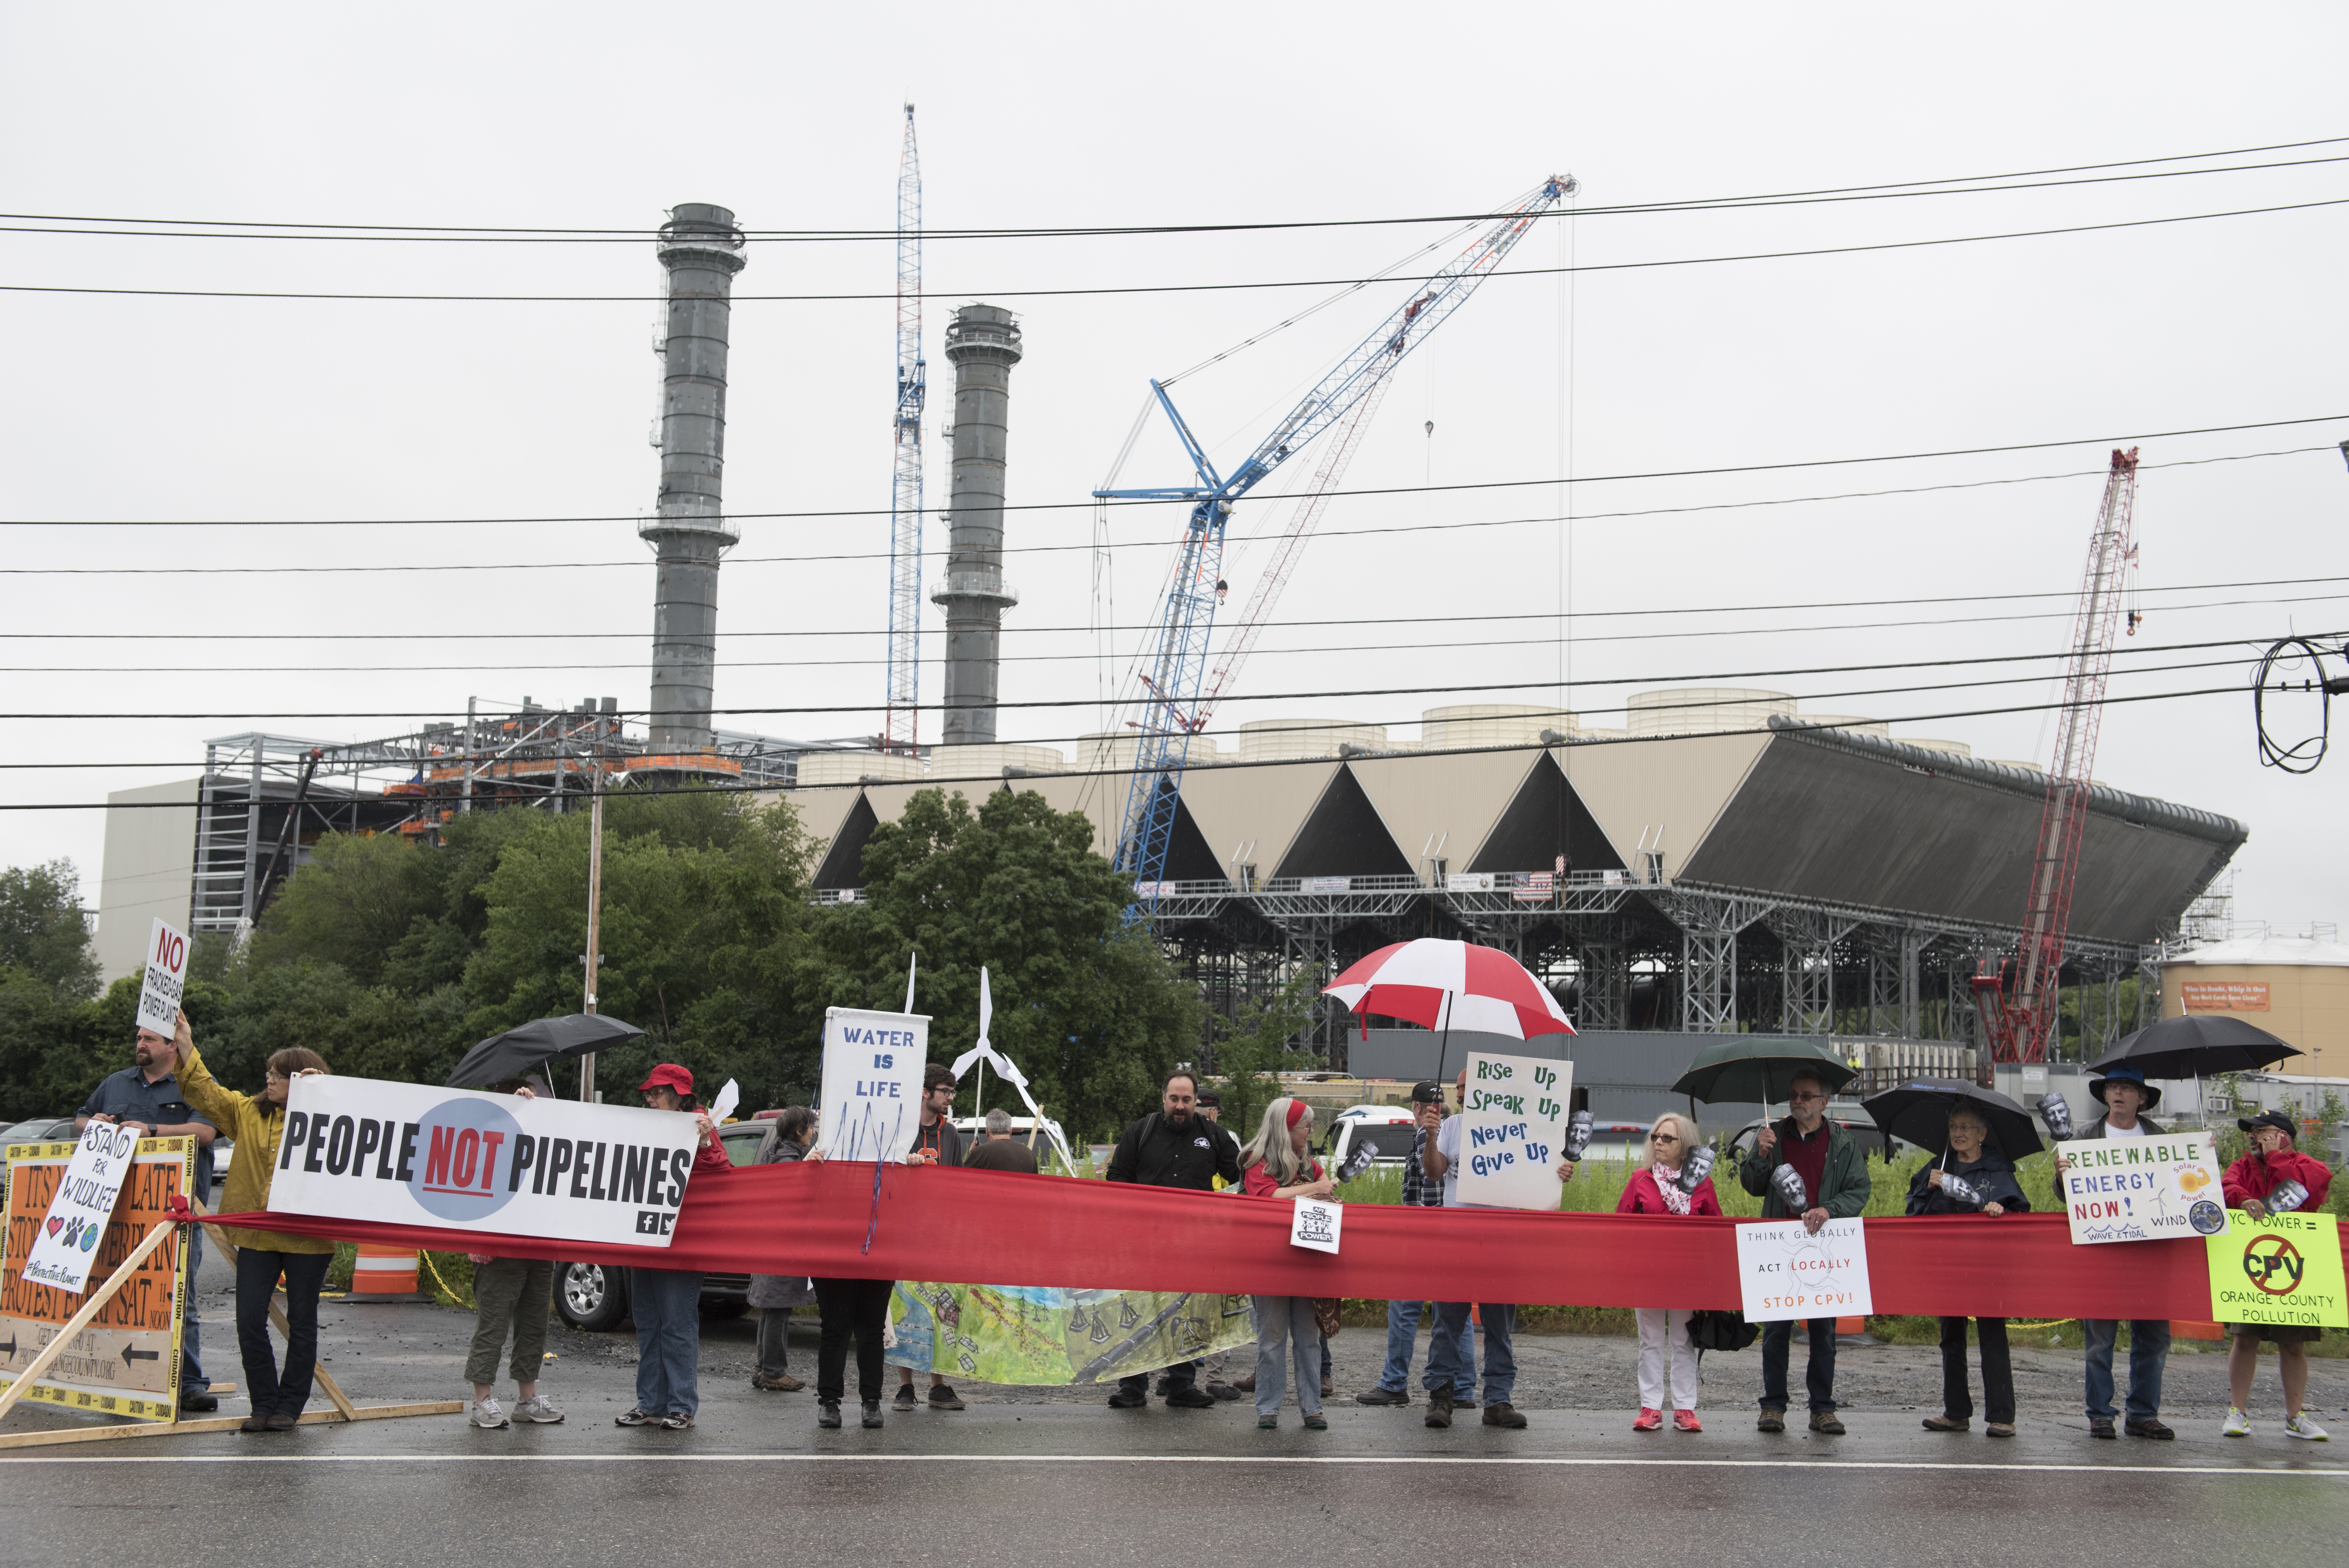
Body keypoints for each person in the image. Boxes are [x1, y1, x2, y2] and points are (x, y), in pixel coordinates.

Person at [168, 1014, 335, 1434]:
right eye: (269, 1073)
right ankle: (263, 1403)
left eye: (279, 1075)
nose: (270, 1080)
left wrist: (325, 1092)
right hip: (258, 1235)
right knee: (248, 1320)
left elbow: (365, 1123)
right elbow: (207, 1092)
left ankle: (289, 1406)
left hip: (309, 1238)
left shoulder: (328, 1113)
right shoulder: (248, 1112)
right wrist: (186, 1042)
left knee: (302, 1321)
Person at [1419, 1064, 1579, 1431]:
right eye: (1457, 1089)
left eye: (1466, 1088)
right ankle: (1441, 1396)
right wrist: (1430, 1137)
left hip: (1502, 1243)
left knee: (1499, 1325)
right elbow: (1433, 1172)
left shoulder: (1519, 1130)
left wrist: (1559, 1172)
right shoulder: (1451, 1128)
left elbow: (1542, 1170)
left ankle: (1498, 1400)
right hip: (1457, 1242)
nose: (1460, 1095)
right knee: (1447, 1323)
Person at [78, 1017, 218, 1413]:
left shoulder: (191, 1083)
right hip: (119, 1210)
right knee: (122, 1295)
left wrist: (153, 1131)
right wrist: (96, 1124)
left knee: (179, 1297)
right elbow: (79, 1118)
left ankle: (189, 1384)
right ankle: (121, 1376)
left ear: (173, 1046)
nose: (140, 1043)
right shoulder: (116, 1082)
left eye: (149, 1038)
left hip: (177, 1212)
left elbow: (207, 1132)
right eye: (139, 1037)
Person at [1738, 1068, 1870, 1435]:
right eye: (1794, 1095)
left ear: (1824, 1102)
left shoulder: (1842, 1142)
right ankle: (1773, 1407)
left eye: (1806, 1096)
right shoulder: (1773, 1135)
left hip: (1825, 1245)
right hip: (1778, 1244)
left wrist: (1830, 1210)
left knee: (1823, 1334)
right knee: (1776, 1332)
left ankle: (1822, 1409)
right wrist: (1759, 1156)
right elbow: (1752, 1185)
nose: (1798, 1101)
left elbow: (1860, 1190)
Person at [1103, 1069, 1240, 1410]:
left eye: (1187, 1100)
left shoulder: (1213, 1135)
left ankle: (1181, 1386)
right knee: (1140, 1315)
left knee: (1188, 1314)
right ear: (1163, 1098)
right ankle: (1133, 1387)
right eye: (1174, 1099)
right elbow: (1117, 1176)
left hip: (1193, 1244)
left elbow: (1242, 1176)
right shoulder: (1141, 1131)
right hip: (1144, 1244)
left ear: (1197, 1101)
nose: (1180, 1106)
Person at [2052, 1064, 2174, 1439]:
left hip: (2152, 1252)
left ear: (2142, 1098)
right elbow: (2064, 1196)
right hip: (2101, 1250)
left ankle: (2142, 1415)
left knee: (2154, 1339)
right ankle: (2100, 1414)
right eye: (2113, 1088)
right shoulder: (2083, 1137)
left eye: (2127, 1088)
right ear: (2105, 1096)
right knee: (2100, 1339)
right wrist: (2062, 1176)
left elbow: (2181, 1191)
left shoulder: (2162, 1139)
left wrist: (2200, 1156)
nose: (2119, 1093)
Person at [616, 1064, 731, 1431]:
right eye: (649, 1093)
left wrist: (704, 1140)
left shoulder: (698, 1126)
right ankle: (650, 1402)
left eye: (657, 1092)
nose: (650, 1098)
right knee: (648, 1324)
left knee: (678, 1325)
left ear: (678, 1096)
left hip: (682, 1242)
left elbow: (721, 1171)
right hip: (645, 1238)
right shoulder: (646, 1125)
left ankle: (682, 1405)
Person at [1906, 1105, 2029, 1438]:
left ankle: (2002, 1416)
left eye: (1965, 1127)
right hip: (1948, 1265)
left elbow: (2021, 1213)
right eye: (1953, 1127)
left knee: (1992, 1336)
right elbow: (1913, 1215)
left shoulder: (1998, 1169)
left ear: (1982, 1134)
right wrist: (1928, 1190)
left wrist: (1999, 1208)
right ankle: (1956, 1413)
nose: (1958, 1133)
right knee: (1951, 1339)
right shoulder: (1937, 1166)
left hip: (1988, 1266)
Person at [1359, 1080, 1475, 1410]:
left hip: (1426, 1234)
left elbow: (1427, 1193)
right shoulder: (1454, 1132)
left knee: (1405, 1307)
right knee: (1456, 1313)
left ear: (1417, 1108)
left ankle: (1394, 1382)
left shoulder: (1429, 1137)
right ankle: (1463, 1388)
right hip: (1452, 1236)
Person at [2220, 1110, 2334, 1441]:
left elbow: (2303, 1195)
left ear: (2285, 1135)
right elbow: (2225, 1187)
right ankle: (2237, 1412)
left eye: (2263, 1131)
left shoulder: (2310, 1166)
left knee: (2294, 1344)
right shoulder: (2242, 1167)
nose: (2254, 1137)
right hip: (2250, 1266)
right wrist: (2243, 1200)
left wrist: (2276, 1159)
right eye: (2251, 1133)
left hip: (2294, 1268)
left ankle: (2295, 1417)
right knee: (2245, 1339)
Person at [463, 1079, 565, 1428]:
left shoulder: (551, 1136)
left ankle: (527, 1398)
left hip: (540, 1243)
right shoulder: (491, 1133)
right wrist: (514, 1108)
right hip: (499, 1247)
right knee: (493, 1324)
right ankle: (482, 1402)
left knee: (535, 1323)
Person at [1616, 1111, 1721, 1433]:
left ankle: (1685, 1409)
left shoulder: (1701, 1184)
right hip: (1648, 1274)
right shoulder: (1641, 1180)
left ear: (1685, 1145)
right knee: (1649, 1340)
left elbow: (1717, 1227)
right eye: (1655, 1137)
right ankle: (1650, 1407)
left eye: (1667, 1138)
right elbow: (1621, 1223)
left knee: (1683, 1341)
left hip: (1686, 1276)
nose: (1659, 1142)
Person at [1238, 1097, 1337, 1430]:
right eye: (1306, 1126)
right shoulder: (1257, 1161)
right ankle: (1268, 1407)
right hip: (1269, 1265)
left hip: (1307, 1262)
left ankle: (1313, 1408)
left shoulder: (1308, 1163)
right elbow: (1269, 1197)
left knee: (1309, 1339)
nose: (1311, 1131)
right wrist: (1318, 1188)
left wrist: (1327, 1191)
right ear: (1286, 1129)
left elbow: (1325, 1195)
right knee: (1272, 1337)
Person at [893, 1063, 969, 1412]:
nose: (950, 1099)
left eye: (953, 1093)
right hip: (905, 1233)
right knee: (906, 1310)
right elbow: (885, 1175)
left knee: (944, 1309)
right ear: (926, 1093)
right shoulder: (901, 1127)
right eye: (945, 1092)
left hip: (940, 1235)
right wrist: (904, 1168)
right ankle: (905, 1387)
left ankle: (939, 1385)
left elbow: (958, 1183)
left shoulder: (950, 1134)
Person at [748, 1107, 820, 1393]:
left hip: (768, 1244)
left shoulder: (775, 1152)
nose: (814, 1133)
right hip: (781, 1246)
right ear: (798, 1132)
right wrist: (807, 1169)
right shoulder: (789, 1161)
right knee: (778, 1307)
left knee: (770, 1309)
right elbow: (794, 1201)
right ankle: (774, 1371)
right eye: (811, 1128)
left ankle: (763, 1367)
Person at [963, 1107, 1041, 1174]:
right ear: (1011, 1131)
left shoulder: (980, 1153)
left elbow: (964, 1181)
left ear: (987, 1131)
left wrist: (974, 1154)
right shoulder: (1029, 1153)